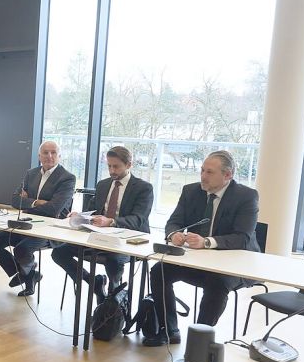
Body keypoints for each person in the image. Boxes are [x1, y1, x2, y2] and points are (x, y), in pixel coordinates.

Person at [146, 150, 259, 346]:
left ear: (228, 175)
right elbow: (173, 222)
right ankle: (169, 330)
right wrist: (175, 235)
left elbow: (242, 238)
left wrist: (207, 242)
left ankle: (198, 341)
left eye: (209, 172)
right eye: (202, 170)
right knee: (159, 271)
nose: (203, 177)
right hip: (197, 260)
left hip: (234, 264)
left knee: (217, 283)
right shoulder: (191, 191)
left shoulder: (246, 196)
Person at [51, 146, 153, 303]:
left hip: (127, 242)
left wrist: (112, 221)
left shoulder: (143, 188)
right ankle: (93, 282)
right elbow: (92, 210)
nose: (112, 171)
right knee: (59, 253)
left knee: (113, 259)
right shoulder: (103, 185)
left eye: (116, 166)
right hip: (98, 238)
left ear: (129, 165)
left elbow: (139, 219)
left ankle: (112, 302)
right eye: (109, 166)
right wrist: (80, 216)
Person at [0, 141, 76, 297]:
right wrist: (37, 202)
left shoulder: (67, 178)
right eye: (45, 153)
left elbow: (54, 209)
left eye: (53, 152)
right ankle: (27, 273)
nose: (49, 156)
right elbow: (14, 200)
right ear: (39, 156)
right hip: (26, 223)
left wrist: (27, 202)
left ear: (59, 156)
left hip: (50, 229)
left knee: (22, 249)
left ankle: (26, 273)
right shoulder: (31, 173)